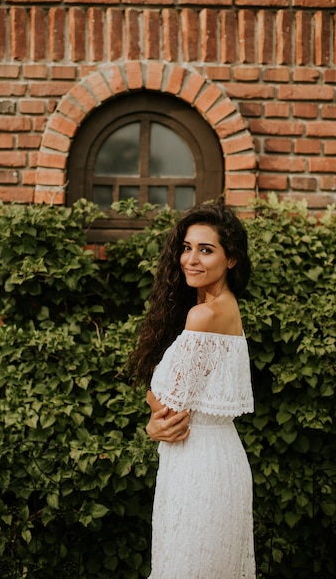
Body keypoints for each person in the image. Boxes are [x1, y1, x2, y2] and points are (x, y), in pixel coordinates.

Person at [129, 201, 256, 578]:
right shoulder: (224, 307)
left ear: (230, 259)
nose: (191, 259)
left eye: (206, 249)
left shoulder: (203, 315)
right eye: (186, 247)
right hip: (212, 457)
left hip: (200, 466)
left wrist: (154, 421)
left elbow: (168, 406)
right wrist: (158, 416)